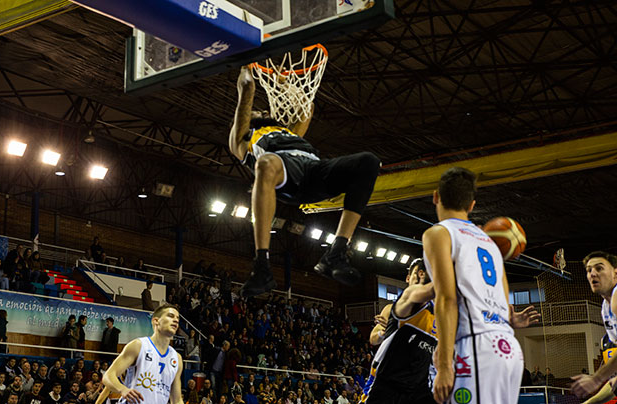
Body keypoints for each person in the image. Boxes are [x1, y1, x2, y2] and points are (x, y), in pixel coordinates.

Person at [229, 66, 380, 297]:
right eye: (256, 111)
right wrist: (247, 73)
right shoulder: (243, 139)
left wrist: (283, 83)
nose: (261, 110)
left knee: (368, 161)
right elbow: (246, 96)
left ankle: (336, 252)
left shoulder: (289, 132)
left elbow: (306, 107)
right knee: (266, 163)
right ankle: (262, 265)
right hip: (284, 174)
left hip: (313, 169)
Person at [423, 167, 539, 404]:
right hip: (508, 348)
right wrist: (507, 319)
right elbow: (504, 300)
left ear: (436, 196)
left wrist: (444, 364)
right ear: (472, 204)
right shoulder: (488, 240)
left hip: (475, 346)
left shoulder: (439, 234)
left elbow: (447, 298)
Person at [359, 259, 436, 404]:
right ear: (408, 278)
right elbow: (373, 339)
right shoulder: (394, 307)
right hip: (387, 382)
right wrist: (384, 331)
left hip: (416, 386)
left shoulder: (439, 315)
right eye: (417, 274)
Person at [102, 303, 184, 404]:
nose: (176, 320)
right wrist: (122, 389)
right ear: (156, 321)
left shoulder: (177, 358)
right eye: (170, 316)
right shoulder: (139, 346)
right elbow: (108, 376)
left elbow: (177, 400)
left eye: (177, 318)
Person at [571, 251, 617, 401]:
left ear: (615, 273)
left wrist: (596, 379)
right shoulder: (605, 308)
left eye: (599, 268)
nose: (593, 274)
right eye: (589, 270)